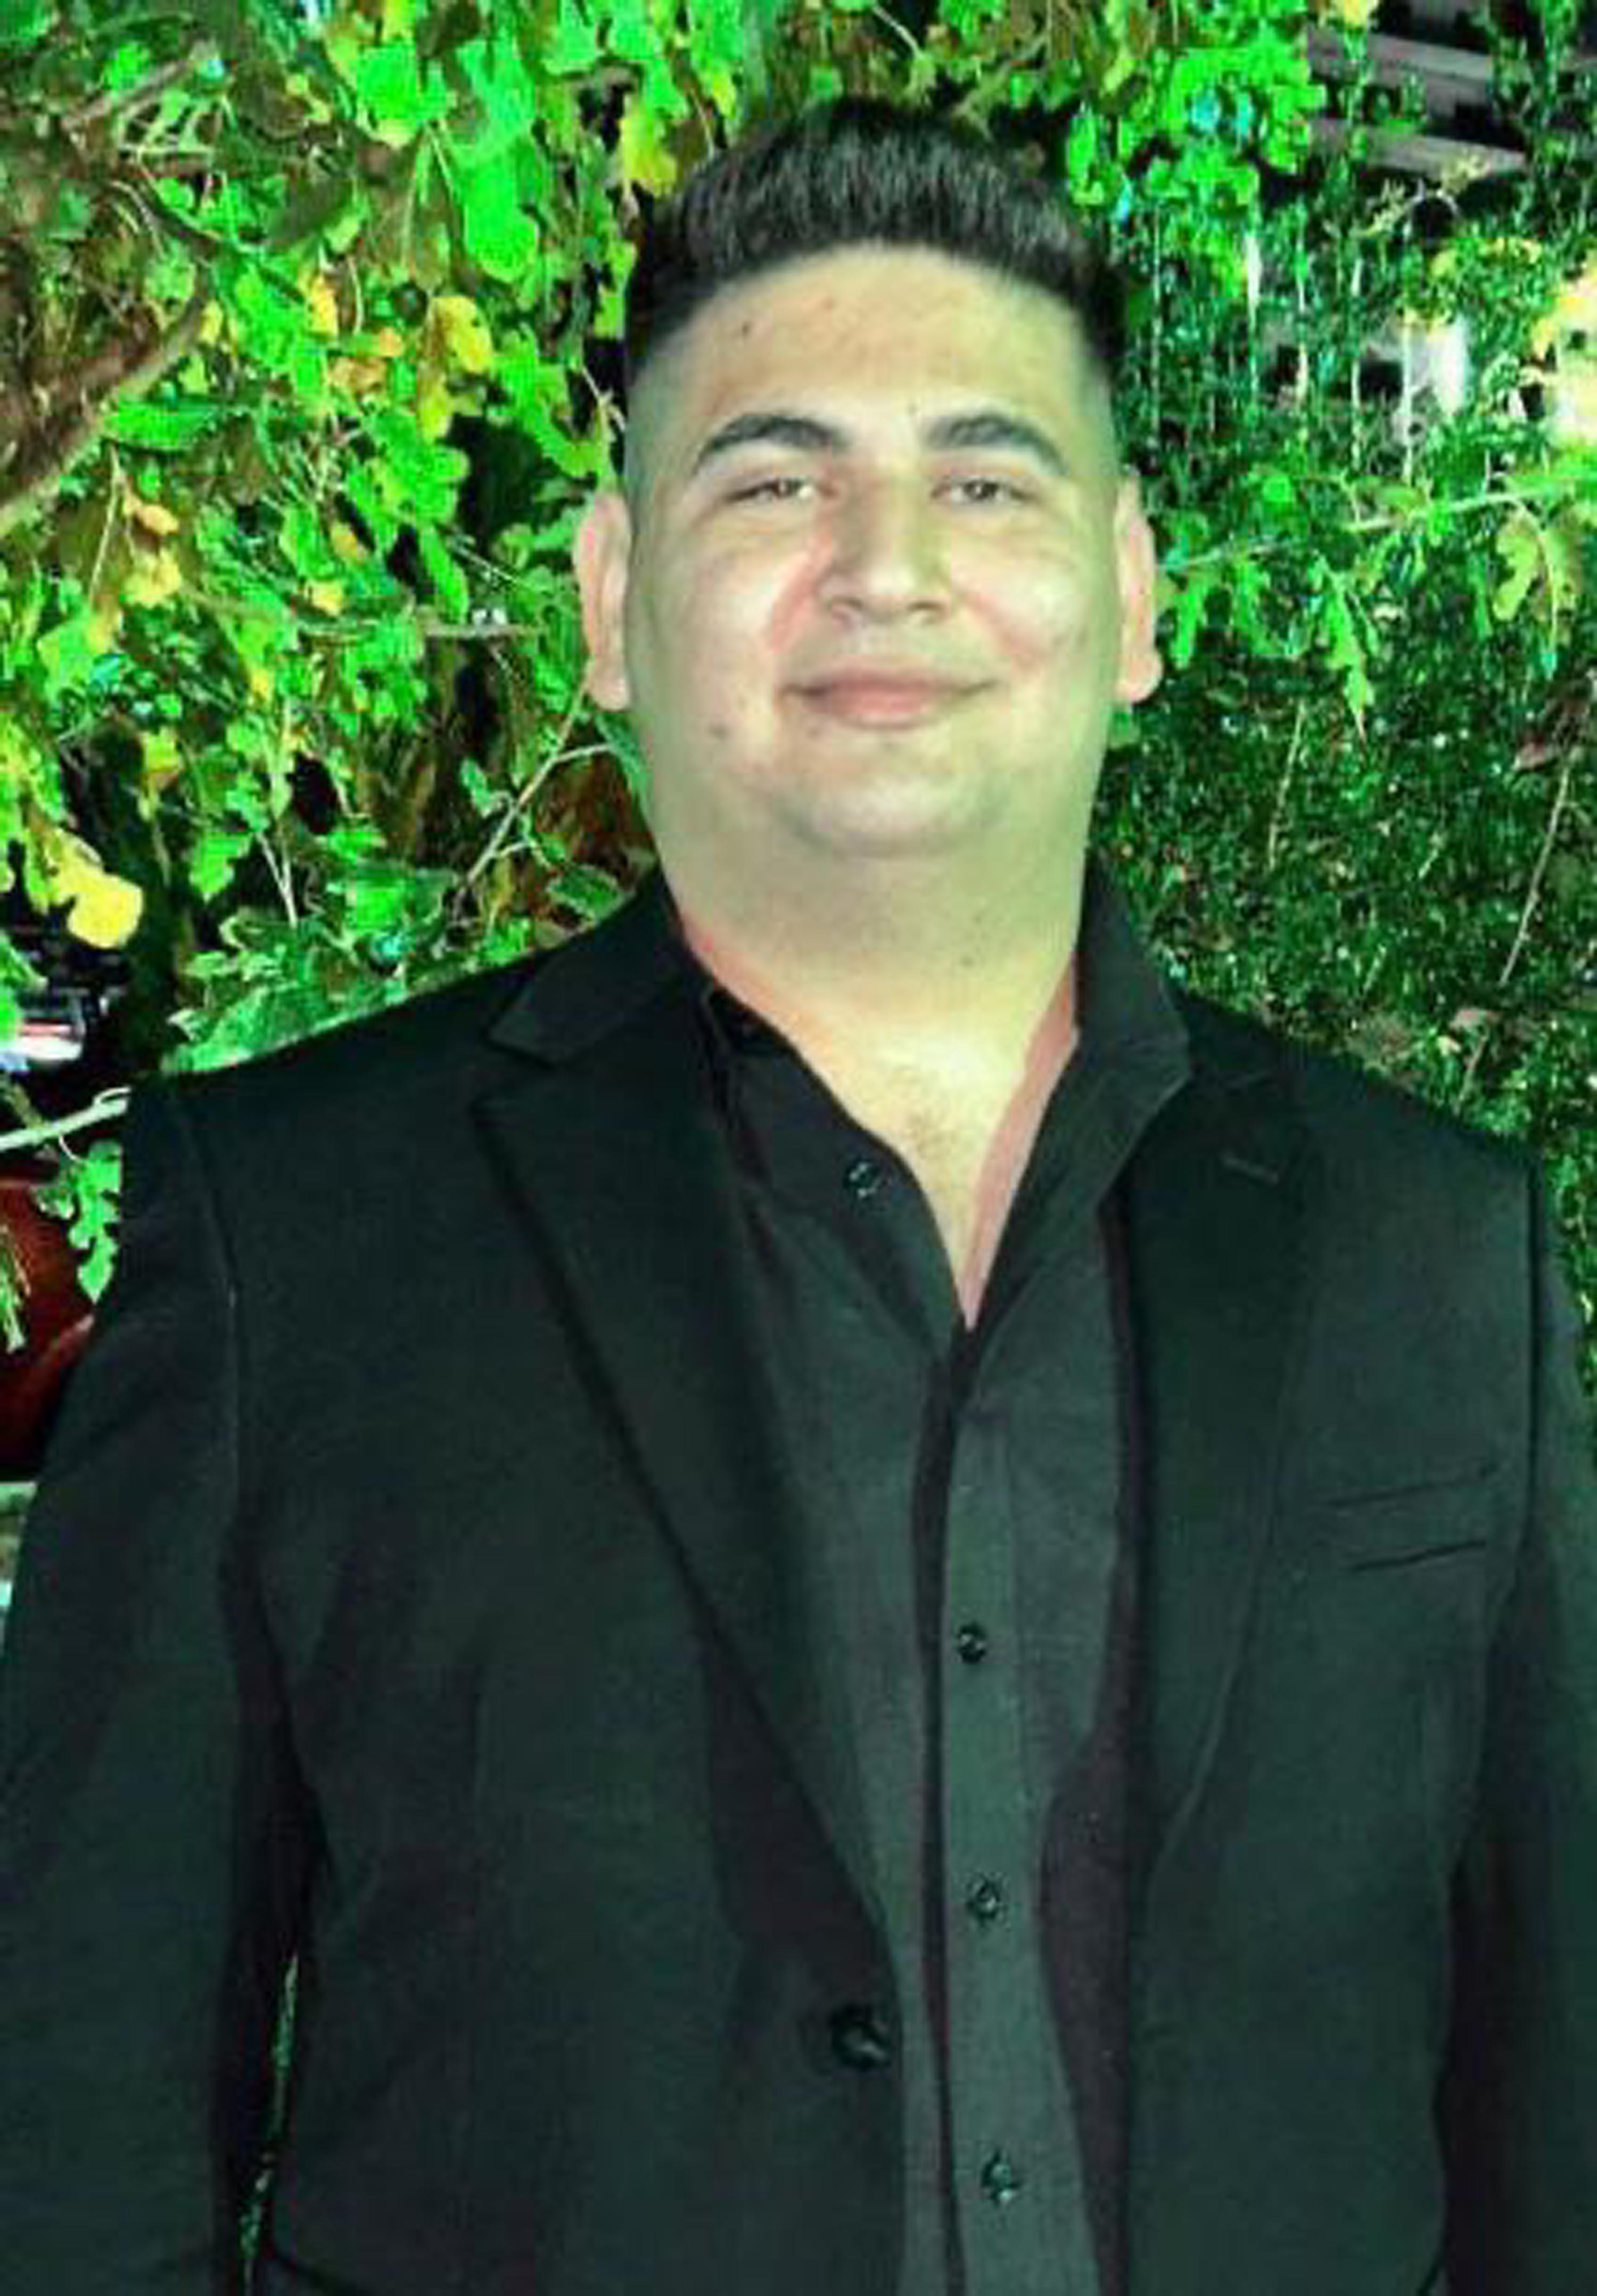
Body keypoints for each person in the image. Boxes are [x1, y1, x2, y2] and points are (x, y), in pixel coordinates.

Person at [2, 92, 1594, 2296]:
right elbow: (67, 2145)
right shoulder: (296, 1237)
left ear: (1135, 595)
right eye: (773, 479)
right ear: (609, 601)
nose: (888, 562)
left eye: (986, 477)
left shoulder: (1442, 1259)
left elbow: (1555, 2132)